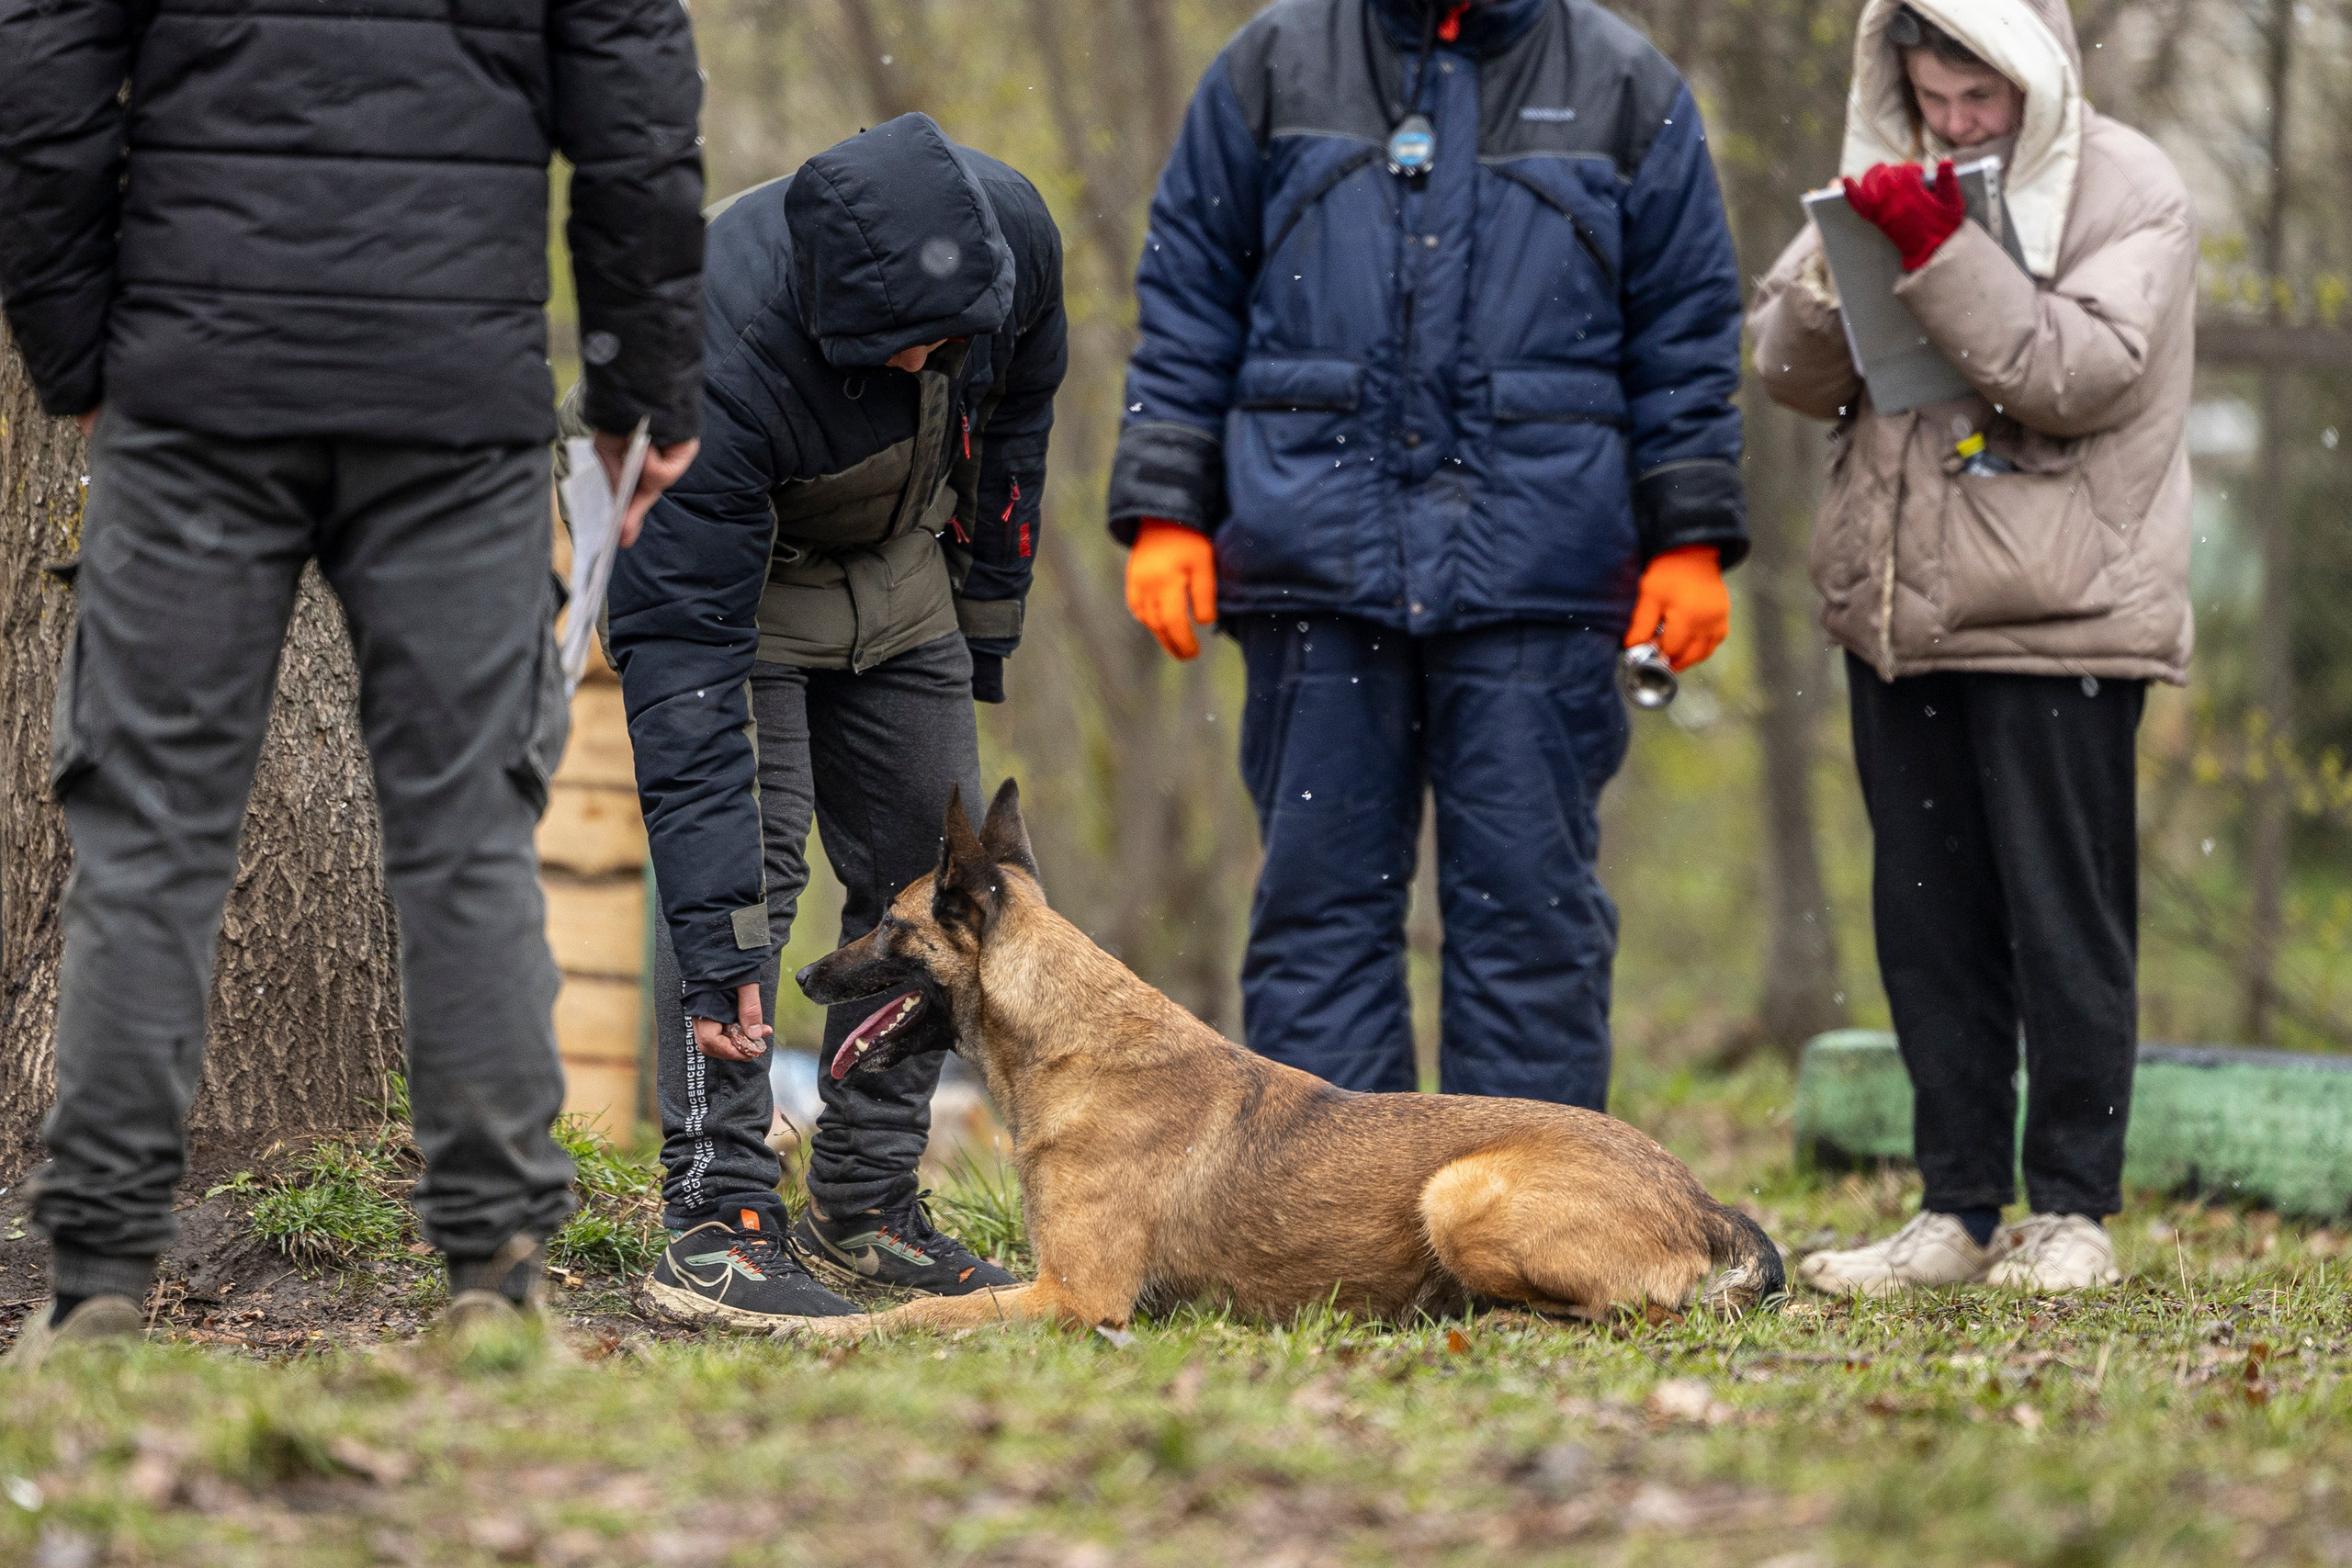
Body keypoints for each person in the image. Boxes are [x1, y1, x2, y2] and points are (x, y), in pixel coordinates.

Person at [0, 0, 705, 1363]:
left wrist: (77, 351)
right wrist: (639, 385)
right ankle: (497, 1286)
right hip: (452, 391)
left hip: (195, 380)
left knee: (145, 834)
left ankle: (91, 1289)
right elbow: (636, 112)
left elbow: (41, 77)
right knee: (467, 834)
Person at [1109, 0, 1747, 1108]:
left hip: (1540, 575)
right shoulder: (1272, 64)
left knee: (1530, 912)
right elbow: (1187, 298)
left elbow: (1685, 333)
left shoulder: (1625, 83)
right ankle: (1331, 1239)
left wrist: (1687, 538)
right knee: (1318, 909)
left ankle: (1535, 1230)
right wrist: (1166, 508)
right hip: (1314, 560)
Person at [1754, 0, 2195, 1294]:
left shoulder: (2134, 188)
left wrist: (1939, 250)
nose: (1955, 124)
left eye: (1978, 100)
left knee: (2064, 917)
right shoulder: (1894, 173)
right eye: (1935, 98)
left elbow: (2080, 370)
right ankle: (1954, 1206)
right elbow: (1784, 367)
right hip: (1903, 613)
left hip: (2063, 617)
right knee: (1929, 919)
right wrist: (1845, 267)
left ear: (2035, 78)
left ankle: (2072, 1208)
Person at [606, 114, 1066, 1329]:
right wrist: (715, 936)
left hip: (903, 576)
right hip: (733, 591)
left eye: (944, 341)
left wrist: (988, 621)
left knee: (936, 874)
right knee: (745, 881)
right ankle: (717, 1218)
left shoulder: (1011, 241)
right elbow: (685, 679)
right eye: (899, 346)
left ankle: (865, 1208)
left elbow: (1014, 435)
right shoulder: (714, 350)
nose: (927, 362)